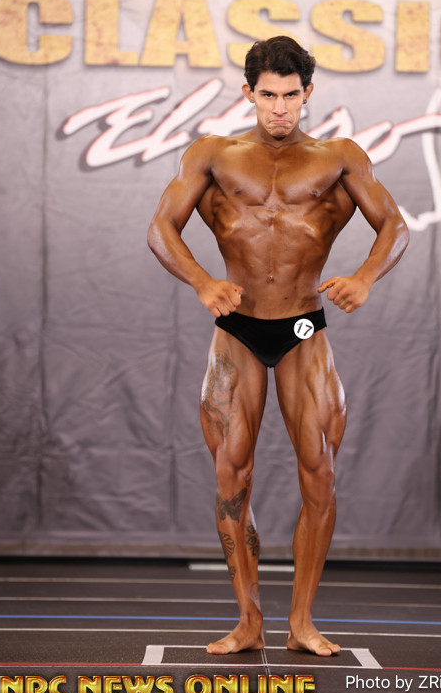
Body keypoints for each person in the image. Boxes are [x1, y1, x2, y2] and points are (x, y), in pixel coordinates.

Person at [147, 36, 409, 656]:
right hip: (237, 328)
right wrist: (203, 281)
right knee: (231, 474)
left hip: (302, 328)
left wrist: (365, 277)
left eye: (291, 95)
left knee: (320, 472)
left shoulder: (339, 158)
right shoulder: (213, 154)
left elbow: (394, 224)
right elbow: (160, 228)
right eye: (268, 95)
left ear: (307, 93)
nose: (280, 108)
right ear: (249, 93)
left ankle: (302, 622)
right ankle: (248, 621)